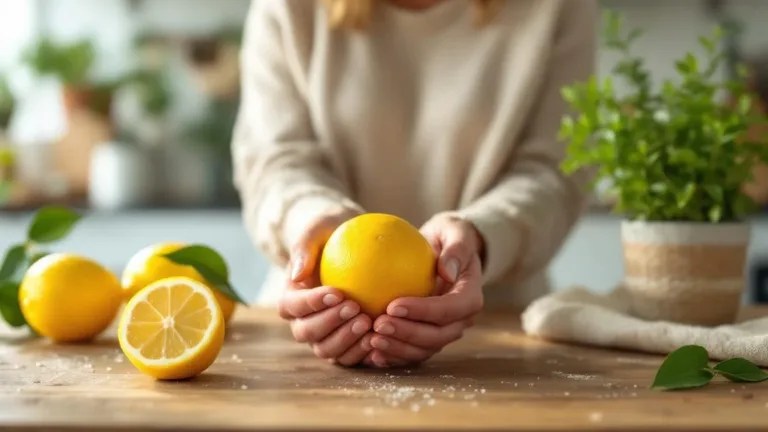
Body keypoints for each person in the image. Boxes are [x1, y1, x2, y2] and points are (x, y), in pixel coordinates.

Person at [232, 0, 596, 368]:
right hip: (311, 326)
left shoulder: (556, 7)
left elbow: (556, 169)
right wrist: (309, 220)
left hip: (497, 340)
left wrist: (481, 237)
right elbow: (273, 160)